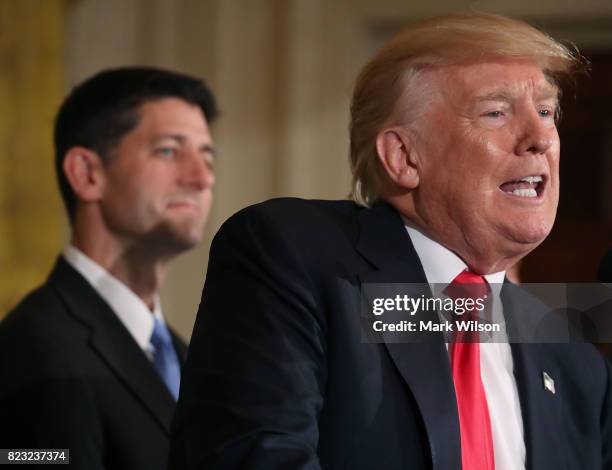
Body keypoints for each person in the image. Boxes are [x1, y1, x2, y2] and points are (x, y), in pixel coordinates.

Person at [169, 12, 612, 470]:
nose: (541, 137)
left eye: (545, 111)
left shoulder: (571, 357)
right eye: (496, 112)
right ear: (403, 157)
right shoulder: (297, 258)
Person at [0, 67, 217, 470]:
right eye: (169, 150)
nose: (201, 178)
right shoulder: (34, 347)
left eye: (208, 157)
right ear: (87, 174)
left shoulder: (184, 356)